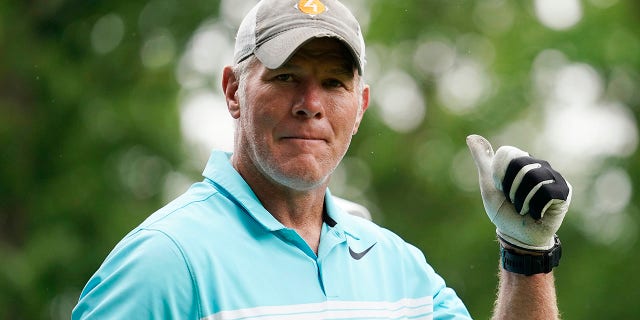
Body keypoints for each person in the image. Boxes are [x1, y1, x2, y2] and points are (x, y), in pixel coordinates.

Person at [72, 0, 572, 319]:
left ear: (360, 108)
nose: (311, 102)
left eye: (334, 82)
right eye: (286, 75)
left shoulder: (399, 268)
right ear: (232, 92)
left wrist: (526, 258)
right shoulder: (165, 262)